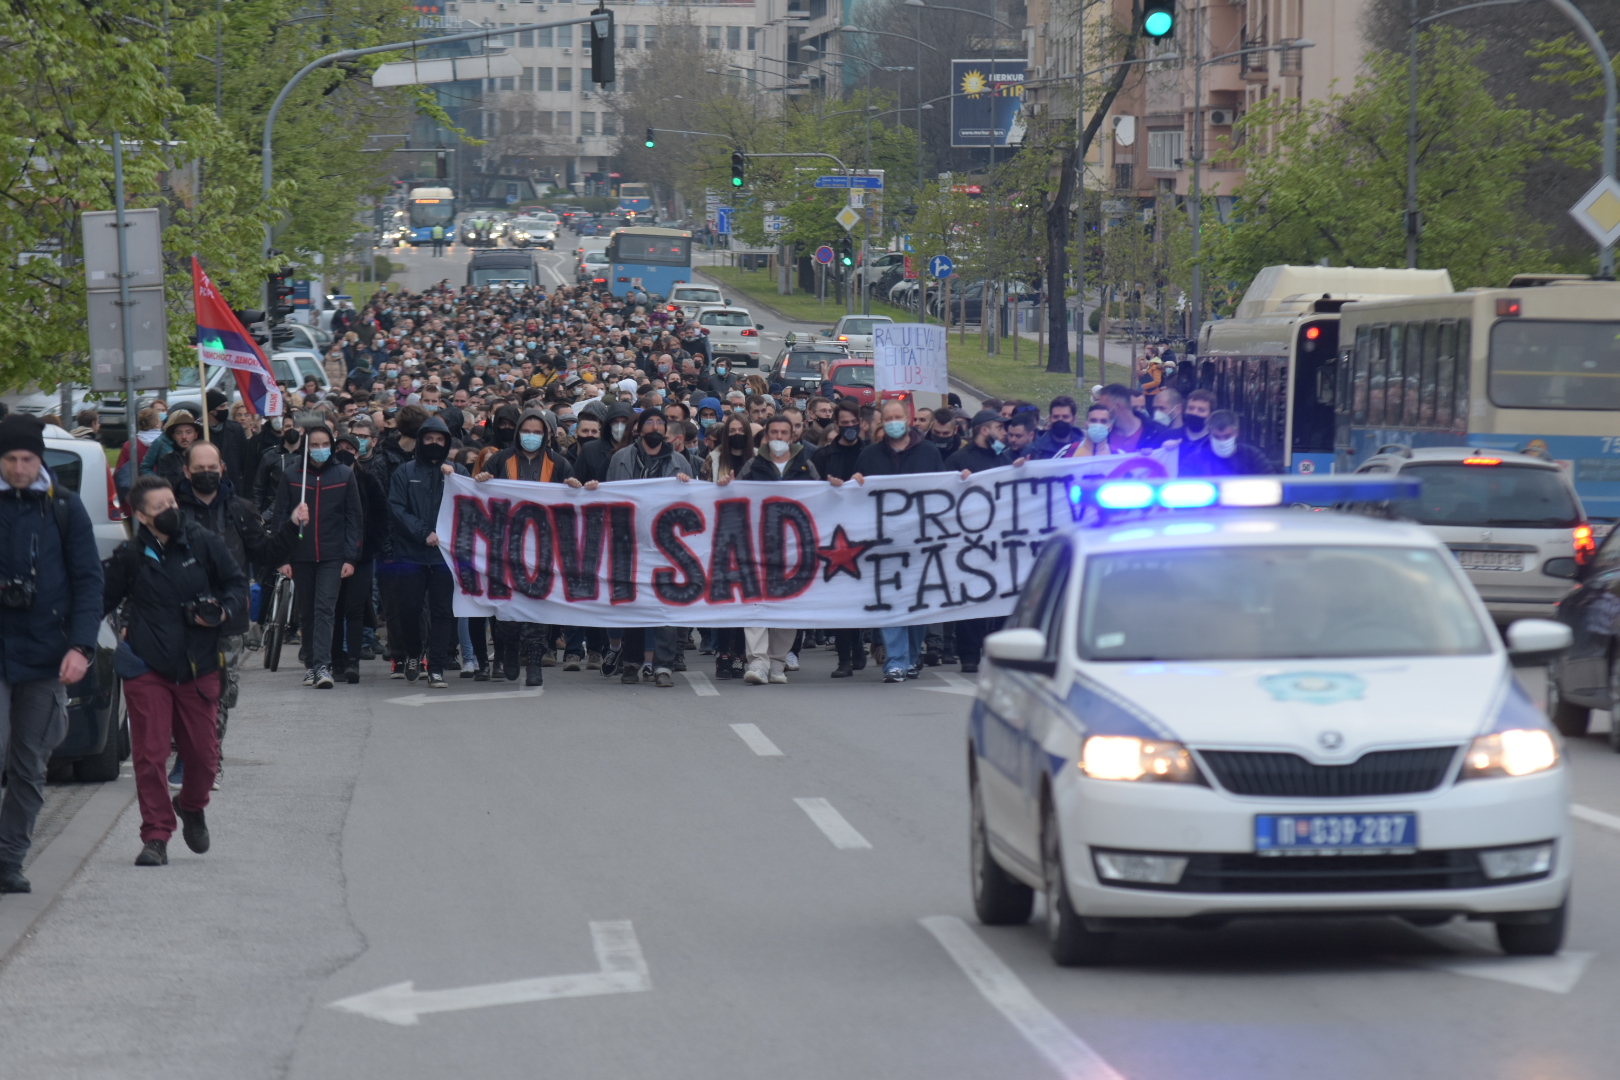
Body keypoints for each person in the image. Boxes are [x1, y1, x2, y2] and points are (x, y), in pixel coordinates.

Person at [106, 474, 248, 868]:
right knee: (149, 755)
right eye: (160, 508)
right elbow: (97, 597)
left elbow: (236, 584)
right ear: (142, 517)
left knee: (202, 757)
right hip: (146, 666)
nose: (170, 512)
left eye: (172, 503)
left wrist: (222, 611)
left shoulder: (203, 543)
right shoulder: (131, 555)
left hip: (199, 664)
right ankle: (155, 836)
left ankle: (191, 806)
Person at [0, 416, 103, 894]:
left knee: (29, 765)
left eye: (28, 459)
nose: (20, 468)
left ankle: (9, 859)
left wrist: (81, 646)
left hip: (46, 655)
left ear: (40, 459)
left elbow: (88, 581)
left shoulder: (64, 508)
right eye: (11, 459)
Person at [172, 440, 287, 790]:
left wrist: (292, 529)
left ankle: (207, 758)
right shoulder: (172, 512)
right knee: (182, 690)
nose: (207, 473)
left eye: (213, 467)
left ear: (222, 469)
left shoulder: (241, 510)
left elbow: (264, 551)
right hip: (180, 619)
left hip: (228, 617)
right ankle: (186, 755)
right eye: (199, 468)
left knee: (219, 692)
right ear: (186, 471)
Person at [475, 409, 577, 685]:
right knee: (507, 610)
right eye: (526, 430)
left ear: (545, 435)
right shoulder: (500, 460)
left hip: (543, 547)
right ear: (519, 432)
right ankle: (508, 650)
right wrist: (482, 480)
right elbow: (479, 496)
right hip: (507, 546)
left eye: (537, 432)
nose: (531, 436)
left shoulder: (558, 463)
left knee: (536, 608)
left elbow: (572, 501)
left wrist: (576, 487)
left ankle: (534, 664)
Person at [853, 399, 944, 683]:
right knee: (890, 602)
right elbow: (856, 497)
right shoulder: (869, 455)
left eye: (897, 417)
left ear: (908, 418)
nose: (893, 422)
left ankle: (912, 656)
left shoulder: (928, 452)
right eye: (888, 418)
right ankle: (895, 660)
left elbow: (944, 490)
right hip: (884, 545)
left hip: (920, 542)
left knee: (917, 603)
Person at [270, 423, 363, 689]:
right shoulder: (291, 475)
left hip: (333, 555)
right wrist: (282, 557)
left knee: (325, 608)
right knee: (307, 611)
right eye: (315, 445)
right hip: (301, 553)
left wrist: (350, 556)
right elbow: (280, 517)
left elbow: (353, 518)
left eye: (325, 444)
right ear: (306, 447)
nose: (320, 450)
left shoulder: (344, 474)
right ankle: (310, 663)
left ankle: (323, 665)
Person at [733, 415, 818, 686]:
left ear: (792, 436)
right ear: (767, 436)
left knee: (786, 605)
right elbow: (736, 499)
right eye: (774, 433)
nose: (779, 437)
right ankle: (758, 662)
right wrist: (726, 487)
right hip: (758, 545)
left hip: (793, 548)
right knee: (756, 603)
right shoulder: (754, 465)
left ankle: (777, 663)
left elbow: (821, 499)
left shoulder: (805, 465)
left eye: (785, 432)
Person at [387, 416, 468, 687]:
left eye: (440, 440)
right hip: (410, 554)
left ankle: (436, 668)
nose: (434, 444)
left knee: (443, 611)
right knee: (409, 610)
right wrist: (423, 532)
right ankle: (413, 653)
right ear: (421, 440)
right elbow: (397, 508)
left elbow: (471, 504)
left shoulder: (456, 471)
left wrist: (458, 477)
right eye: (429, 439)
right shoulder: (405, 472)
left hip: (444, 557)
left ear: (447, 442)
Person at [1181, 409, 1275, 476]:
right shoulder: (1194, 460)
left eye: (1227, 436)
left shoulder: (1253, 457)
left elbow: (1271, 484)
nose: (1222, 441)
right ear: (1210, 434)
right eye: (1217, 437)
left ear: (1237, 433)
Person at [946, 410, 1006, 474]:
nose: (1004, 433)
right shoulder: (958, 460)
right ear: (984, 430)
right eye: (999, 428)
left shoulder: (1004, 457)